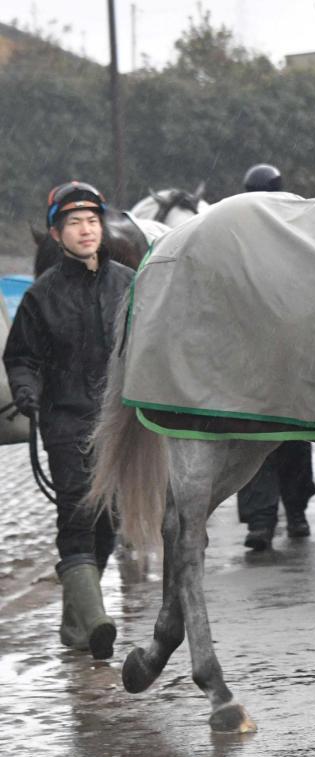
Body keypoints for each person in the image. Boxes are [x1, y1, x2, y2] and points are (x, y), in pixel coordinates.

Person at [3, 181, 135, 660]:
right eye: (75, 223)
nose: (86, 230)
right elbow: (20, 357)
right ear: (57, 235)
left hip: (118, 426)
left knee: (109, 523)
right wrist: (25, 390)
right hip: (64, 422)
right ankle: (97, 619)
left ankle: (76, 622)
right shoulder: (41, 296)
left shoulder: (128, 283)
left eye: (93, 221)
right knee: (77, 517)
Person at [235, 163, 315, 551]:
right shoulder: (240, 234)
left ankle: (291, 512)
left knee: (290, 439)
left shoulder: (293, 230)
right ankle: (264, 519)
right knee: (260, 439)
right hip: (256, 351)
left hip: (284, 349)